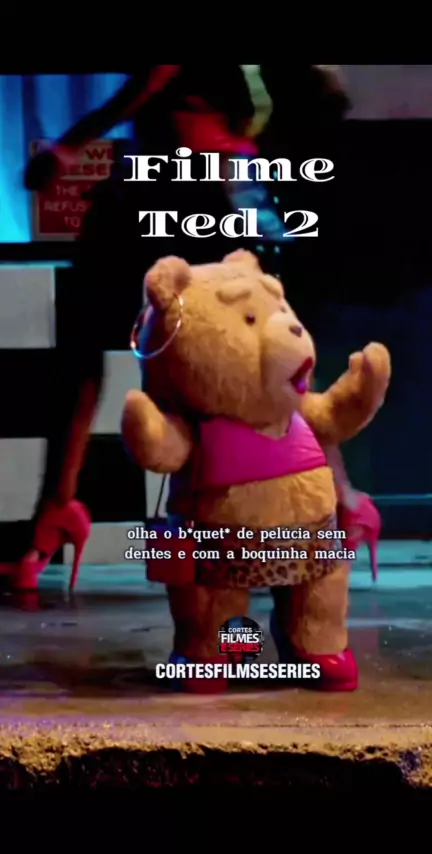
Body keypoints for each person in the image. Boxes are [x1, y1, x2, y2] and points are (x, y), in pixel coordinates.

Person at [1, 63, 378, 591]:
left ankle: (58, 509)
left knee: (250, 361)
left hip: (196, 189)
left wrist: (68, 149)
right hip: (200, 185)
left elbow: (156, 78)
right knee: (255, 360)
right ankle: (343, 499)